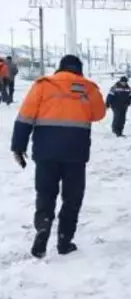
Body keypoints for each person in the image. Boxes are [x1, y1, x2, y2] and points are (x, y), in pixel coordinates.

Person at [10, 54, 106, 258]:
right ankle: (64, 240)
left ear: (60, 68)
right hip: (76, 154)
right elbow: (99, 114)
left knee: (45, 194)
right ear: (79, 70)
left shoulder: (43, 85)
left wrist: (18, 147)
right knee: (72, 198)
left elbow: (25, 117)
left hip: (45, 153)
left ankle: (43, 227)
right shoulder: (88, 88)